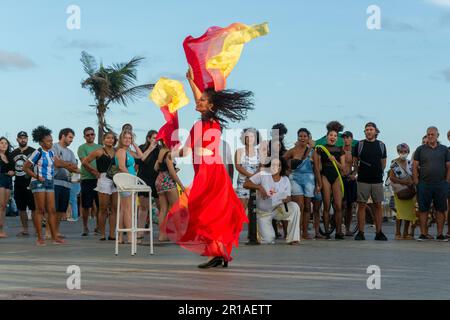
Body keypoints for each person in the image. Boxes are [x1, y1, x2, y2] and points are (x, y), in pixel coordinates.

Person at [166, 66, 250, 269]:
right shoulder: (205, 124)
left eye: (203, 101)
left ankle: (219, 253)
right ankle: (219, 253)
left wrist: (172, 153)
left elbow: (190, 151)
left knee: (207, 214)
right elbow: (186, 151)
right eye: (199, 99)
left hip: (210, 174)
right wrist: (191, 81)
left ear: (210, 106)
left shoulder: (208, 124)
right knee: (210, 214)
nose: (198, 101)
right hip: (209, 173)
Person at [23, 126, 65, 245]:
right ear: (41, 142)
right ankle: (40, 238)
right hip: (38, 182)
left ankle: (54, 237)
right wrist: (36, 177)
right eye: (48, 141)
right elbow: (25, 167)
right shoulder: (38, 152)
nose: (51, 143)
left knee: (52, 210)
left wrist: (71, 167)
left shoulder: (51, 153)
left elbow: (57, 163)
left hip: (50, 182)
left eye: (51, 140)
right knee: (40, 210)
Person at [244, 157, 301, 244]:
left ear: (282, 167)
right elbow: (246, 183)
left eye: (279, 165)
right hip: (263, 213)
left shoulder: (285, 180)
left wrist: (287, 199)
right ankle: (258, 233)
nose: (276, 167)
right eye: (274, 165)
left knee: (294, 207)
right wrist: (259, 187)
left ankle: (293, 239)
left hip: (277, 209)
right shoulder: (263, 175)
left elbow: (288, 197)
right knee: (268, 240)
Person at [413, 127, 450, 242]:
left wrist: (447, 182)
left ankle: (440, 234)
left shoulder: (444, 150)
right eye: (428, 134)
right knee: (423, 210)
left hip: (440, 184)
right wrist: (416, 182)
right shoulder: (420, 149)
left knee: (440, 209)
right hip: (424, 184)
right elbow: (414, 166)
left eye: (432, 134)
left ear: (437, 135)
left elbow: (449, 166)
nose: (430, 136)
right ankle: (423, 234)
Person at [352, 122, 388, 241]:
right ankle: (361, 232)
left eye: (371, 129)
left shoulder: (381, 145)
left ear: (376, 131)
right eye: (366, 129)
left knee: (378, 206)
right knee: (361, 205)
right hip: (363, 180)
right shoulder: (359, 145)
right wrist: (358, 172)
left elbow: (383, 162)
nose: (368, 131)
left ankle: (379, 232)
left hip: (377, 180)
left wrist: (378, 172)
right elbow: (355, 160)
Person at [82, 132, 118, 240]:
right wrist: (94, 172)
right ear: (103, 140)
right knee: (103, 208)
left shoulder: (117, 151)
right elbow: (85, 162)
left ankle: (112, 234)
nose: (110, 140)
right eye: (107, 138)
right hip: (104, 179)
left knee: (114, 208)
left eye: (112, 138)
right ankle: (102, 233)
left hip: (116, 179)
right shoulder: (99, 151)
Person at [314, 122, 346, 240]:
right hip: (325, 176)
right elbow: (317, 168)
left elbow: (343, 168)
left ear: (337, 138)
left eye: (335, 136)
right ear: (327, 136)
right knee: (326, 205)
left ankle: (338, 232)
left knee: (338, 205)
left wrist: (335, 161)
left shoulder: (340, 150)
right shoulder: (320, 149)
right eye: (331, 135)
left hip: (336, 177)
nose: (333, 137)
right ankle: (327, 231)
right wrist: (319, 183)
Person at [284, 128, 316, 239]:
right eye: (300, 136)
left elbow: (316, 168)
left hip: (309, 179)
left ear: (308, 138)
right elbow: (281, 160)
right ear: (297, 137)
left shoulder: (312, 151)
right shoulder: (293, 150)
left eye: (305, 136)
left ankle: (305, 232)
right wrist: (287, 171)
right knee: (299, 206)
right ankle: (296, 231)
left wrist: (319, 184)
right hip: (295, 179)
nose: (302, 138)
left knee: (307, 207)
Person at [115, 130, 144, 244]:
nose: (127, 140)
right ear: (121, 139)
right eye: (125, 138)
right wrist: (131, 179)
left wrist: (134, 144)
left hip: (130, 181)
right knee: (128, 210)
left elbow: (141, 156)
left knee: (124, 210)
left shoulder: (129, 152)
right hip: (126, 182)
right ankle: (130, 237)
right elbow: (122, 167)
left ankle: (121, 237)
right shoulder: (121, 151)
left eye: (130, 138)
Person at [154, 140, 185, 241]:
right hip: (168, 181)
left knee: (163, 209)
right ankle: (179, 235)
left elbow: (156, 167)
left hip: (159, 180)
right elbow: (172, 173)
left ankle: (162, 235)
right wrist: (181, 185)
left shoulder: (161, 151)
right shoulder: (169, 154)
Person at [52, 128, 79, 238]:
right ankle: (49, 232)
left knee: (61, 210)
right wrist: (68, 165)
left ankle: (56, 231)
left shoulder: (70, 152)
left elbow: (76, 168)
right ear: (63, 136)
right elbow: (56, 163)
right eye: (70, 137)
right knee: (52, 209)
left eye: (72, 138)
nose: (72, 140)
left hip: (67, 184)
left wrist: (64, 163)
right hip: (54, 182)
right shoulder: (54, 147)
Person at [389, 143, 417, 240]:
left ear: (408, 152)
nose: (403, 153)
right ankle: (397, 233)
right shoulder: (394, 163)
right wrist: (404, 182)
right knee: (400, 213)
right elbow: (391, 177)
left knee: (409, 212)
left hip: (410, 190)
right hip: (400, 190)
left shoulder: (410, 163)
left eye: (405, 152)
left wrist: (412, 182)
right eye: (401, 152)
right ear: (398, 152)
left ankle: (405, 233)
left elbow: (414, 175)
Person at [136, 130, 160, 239]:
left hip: (156, 180)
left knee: (161, 207)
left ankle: (163, 232)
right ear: (149, 138)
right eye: (154, 138)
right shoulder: (142, 148)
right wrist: (150, 148)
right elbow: (141, 160)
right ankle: (140, 232)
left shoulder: (160, 149)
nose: (156, 140)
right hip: (143, 179)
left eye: (157, 138)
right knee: (143, 206)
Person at [78, 127, 102, 237]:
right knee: (86, 205)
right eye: (88, 135)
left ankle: (98, 227)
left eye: (92, 134)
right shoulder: (81, 148)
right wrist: (95, 172)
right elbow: (84, 162)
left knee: (100, 205)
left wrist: (99, 174)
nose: (90, 136)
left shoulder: (100, 147)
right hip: (87, 179)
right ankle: (85, 226)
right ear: (84, 137)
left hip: (99, 180)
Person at [11, 131, 36, 237]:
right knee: (21, 208)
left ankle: (37, 229)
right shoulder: (13, 153)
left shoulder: (33, 151)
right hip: (18, 184)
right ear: (17, 139)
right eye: (21, 138)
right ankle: (25, 230)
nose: (23, 139)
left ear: (27, 139)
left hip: (31, 184)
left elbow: (37, 167)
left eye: (24, 138)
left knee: (34, 208)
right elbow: (11, 168)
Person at [235, 128, 260, 211]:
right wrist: (250, 175)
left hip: (256, 183)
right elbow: (238, 166)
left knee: (255, 209)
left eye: (252, 136)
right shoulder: (239, 151)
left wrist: (254, 177)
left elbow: (262, 166)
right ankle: (238, 224)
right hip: (243, 183)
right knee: (241, 208)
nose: (250, 139)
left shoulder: (259, 151)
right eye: (247, 136)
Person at [342, 131, 358, 236]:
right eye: (344, 138)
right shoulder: (340, 150)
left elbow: (357, 166)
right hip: (341, 178)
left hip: (351, 179)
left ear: (351, 139)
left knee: (349, 206)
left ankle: (347, 229)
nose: (346, 139)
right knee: (340, 204)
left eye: (348, 137)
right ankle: (340, 226)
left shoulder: (354, 151)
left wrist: (354, 175)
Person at [0, 137, 14, 238]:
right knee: (0, 205)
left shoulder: (9, 156)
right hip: (0, 179)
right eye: (1, 143)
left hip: (8, 181)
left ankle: (1, 229)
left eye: (6, 143)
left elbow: (14, 170)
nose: (4, 145)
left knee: (4, 206)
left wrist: (12, 172)